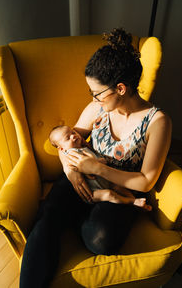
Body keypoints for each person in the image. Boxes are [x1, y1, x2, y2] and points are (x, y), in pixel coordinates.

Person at [20, 28, 171, 288]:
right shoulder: (96, 109)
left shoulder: (157, 122)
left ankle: (76, 217)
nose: (93, 98)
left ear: (120, 88)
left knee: (100, 239)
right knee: (46, 219)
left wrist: (97, 169)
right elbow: (59, 142)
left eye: (97, 93)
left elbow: (145, 182)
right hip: (80, 178)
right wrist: (71, 169)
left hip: (119, 189)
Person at [49, 124, 152, 209]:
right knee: (109, 194)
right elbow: (85, 167)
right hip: (92, 192)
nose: (73, 136)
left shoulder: (84, 146)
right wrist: (99, 162)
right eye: (67, 138)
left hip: (107, 181)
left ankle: (137, 203)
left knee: (118, 188)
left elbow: (92, 162)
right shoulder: (72, 154)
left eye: (73, 132)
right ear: (61, 149)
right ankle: (130, 201)